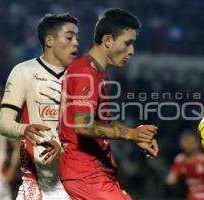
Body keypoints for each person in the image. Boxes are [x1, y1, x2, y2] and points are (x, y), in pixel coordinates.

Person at [59, 8, 158, 200]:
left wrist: (137, 136)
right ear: (108, 41)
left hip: (94, 173)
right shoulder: (85, 72)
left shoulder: (96, 73)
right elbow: (82, 125)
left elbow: (102, 120)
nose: (132, 51)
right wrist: (130, 134)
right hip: (86, 173)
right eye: (127, 43)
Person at [0, 13, 79, 199]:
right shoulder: (23, 72)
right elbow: (4, 124)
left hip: (75, 183)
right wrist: (24, 129)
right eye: (69, 37)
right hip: (35, 184)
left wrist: (65, 147)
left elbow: (92, 131)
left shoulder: (84, 78)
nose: (76, 42)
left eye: (77, 38)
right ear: (49, 41)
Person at [165, 131, 204, 200]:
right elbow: (171, 179)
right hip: (193, 197)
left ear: (197, 144)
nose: (188, 145)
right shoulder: (180, 160)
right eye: (186, 141)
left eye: (191, 142)